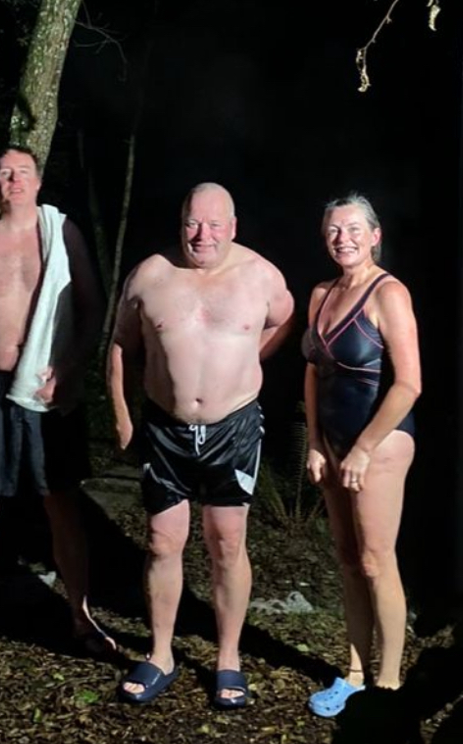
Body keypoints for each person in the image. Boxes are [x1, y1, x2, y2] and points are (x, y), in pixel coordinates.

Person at [108, 182, 294, 709]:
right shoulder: (150, 274)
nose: (202, 234)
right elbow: (122, 345)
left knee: (226, 543)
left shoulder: (260, 275)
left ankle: (228, 659)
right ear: (180, 221)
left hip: (232, 428)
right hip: (164, 427)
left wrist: (248, 360)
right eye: (193, 222)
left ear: (233, 227)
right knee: (163, 541)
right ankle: (161, 653)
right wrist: (123, 417)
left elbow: (284, 318)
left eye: (214, 224)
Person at [0, 144, 112, 663]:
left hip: (48, 387)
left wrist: (71, 369)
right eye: (4, 173)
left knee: (62, 504)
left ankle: (80, 615)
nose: (13, 180)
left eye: (22, 172)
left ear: (37, 180)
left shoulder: (60, 234)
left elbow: (93, 305)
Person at [301, 194, 420, 717]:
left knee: (376, 560)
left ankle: (390, 687)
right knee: (348, 561)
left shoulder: (388, 293)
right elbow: (312, 370)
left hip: (383, 444)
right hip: (332, 443)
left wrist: (365, 449)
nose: (341, 238)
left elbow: (410, 384)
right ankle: (352, 673)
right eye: (332, 230)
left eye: (353, 229)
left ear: (375, 235)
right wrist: (313, 441)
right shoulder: (321, 294)